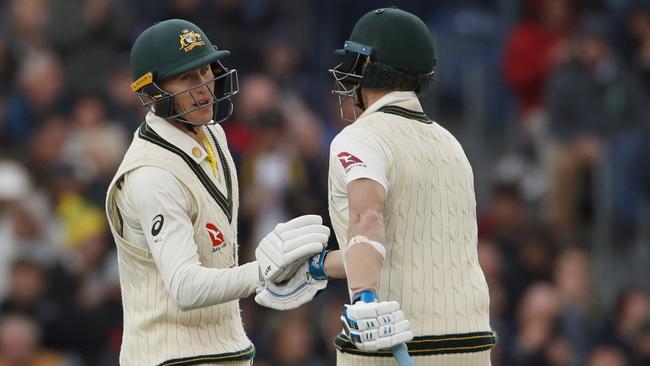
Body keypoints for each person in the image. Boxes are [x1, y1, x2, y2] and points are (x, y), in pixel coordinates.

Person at [258, 7, 496, 365]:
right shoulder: (451, 144)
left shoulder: (358, 138)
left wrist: (366, 298)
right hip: (472, 345)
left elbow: (367, 218)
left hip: (393, 346)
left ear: (368, 68)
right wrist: (318, 267)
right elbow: (399, 249)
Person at [104, 19, 329, 366]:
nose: (205, 87)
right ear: (152, 91)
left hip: (226, 351)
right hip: (170, 357)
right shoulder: (151, 174)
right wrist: (263, 272)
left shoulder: (214, 136)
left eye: (206, 70)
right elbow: (185, 287)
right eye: (187, 78)